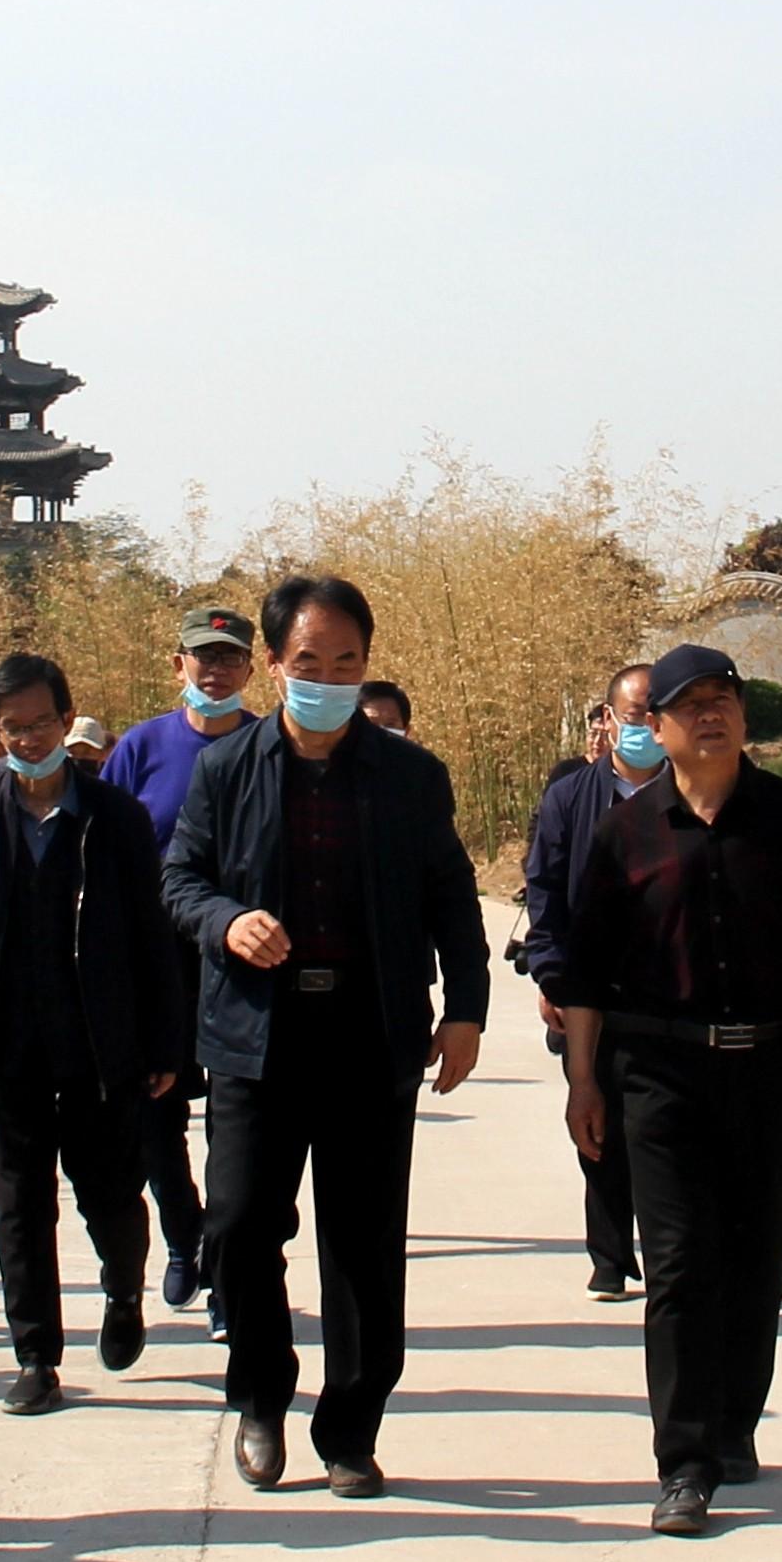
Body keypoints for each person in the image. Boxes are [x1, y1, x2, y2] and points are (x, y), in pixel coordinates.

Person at [162, 573, 489, 1498]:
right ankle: (261, 1395)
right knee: (235, 1224)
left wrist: (464, 1007)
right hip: (255, 1038)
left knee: (362, 1242)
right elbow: (179, 879)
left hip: (368, 1029)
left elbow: (450, 895)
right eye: (310, 660)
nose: (329, 676)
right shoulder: (225, 769)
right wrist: (225, 918)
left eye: (347, 660)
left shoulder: (409, 774)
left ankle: (351, 1425)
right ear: (274, 665)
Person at [555, 641, 782, 1536]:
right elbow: (584, 970)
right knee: (679, 1263)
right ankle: (685, 1461)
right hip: (657, 1071)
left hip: (770, 1066)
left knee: (753, 1252)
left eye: (724, 696)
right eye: (688, 701)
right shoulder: (625, 832)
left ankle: (736, 1422)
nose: (711, 712)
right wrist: (584, 1078)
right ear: (653, 725)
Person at [0, 653, 181, 1412]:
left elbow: (152, 935)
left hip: (101, 1044)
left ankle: (122, 1289)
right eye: (14, 728)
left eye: (43, 723)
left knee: (109, 1193)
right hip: (9, 1044)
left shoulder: (117, 818)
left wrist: (165, 1041)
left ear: (69, 721)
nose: (31, 738)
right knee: (19, 1203)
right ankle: (36, 1353)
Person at [99, 604, 262, 1322]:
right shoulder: (140, 748)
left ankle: (231, 1273)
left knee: (238, 1125)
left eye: (230, 658)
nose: (216, 670)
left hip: (241, 961)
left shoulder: (269, 746)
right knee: (155, 1119)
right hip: (154, 960)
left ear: (253, 670)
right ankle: (181, 1237)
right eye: (204, 656)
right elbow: (99, 853)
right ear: (179, 666)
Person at [518, 660, 664, 1302]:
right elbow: (543, 892)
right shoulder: (570, 797)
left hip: (670, 989)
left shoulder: (695, 790)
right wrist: (551, 977)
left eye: (659, 715)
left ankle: (666, 1254)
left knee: (661, 1128)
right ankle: (609, 1255)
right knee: (597, 1113)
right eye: (635, 716)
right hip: (590, 988)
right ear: (609, 721)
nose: (648, 728)